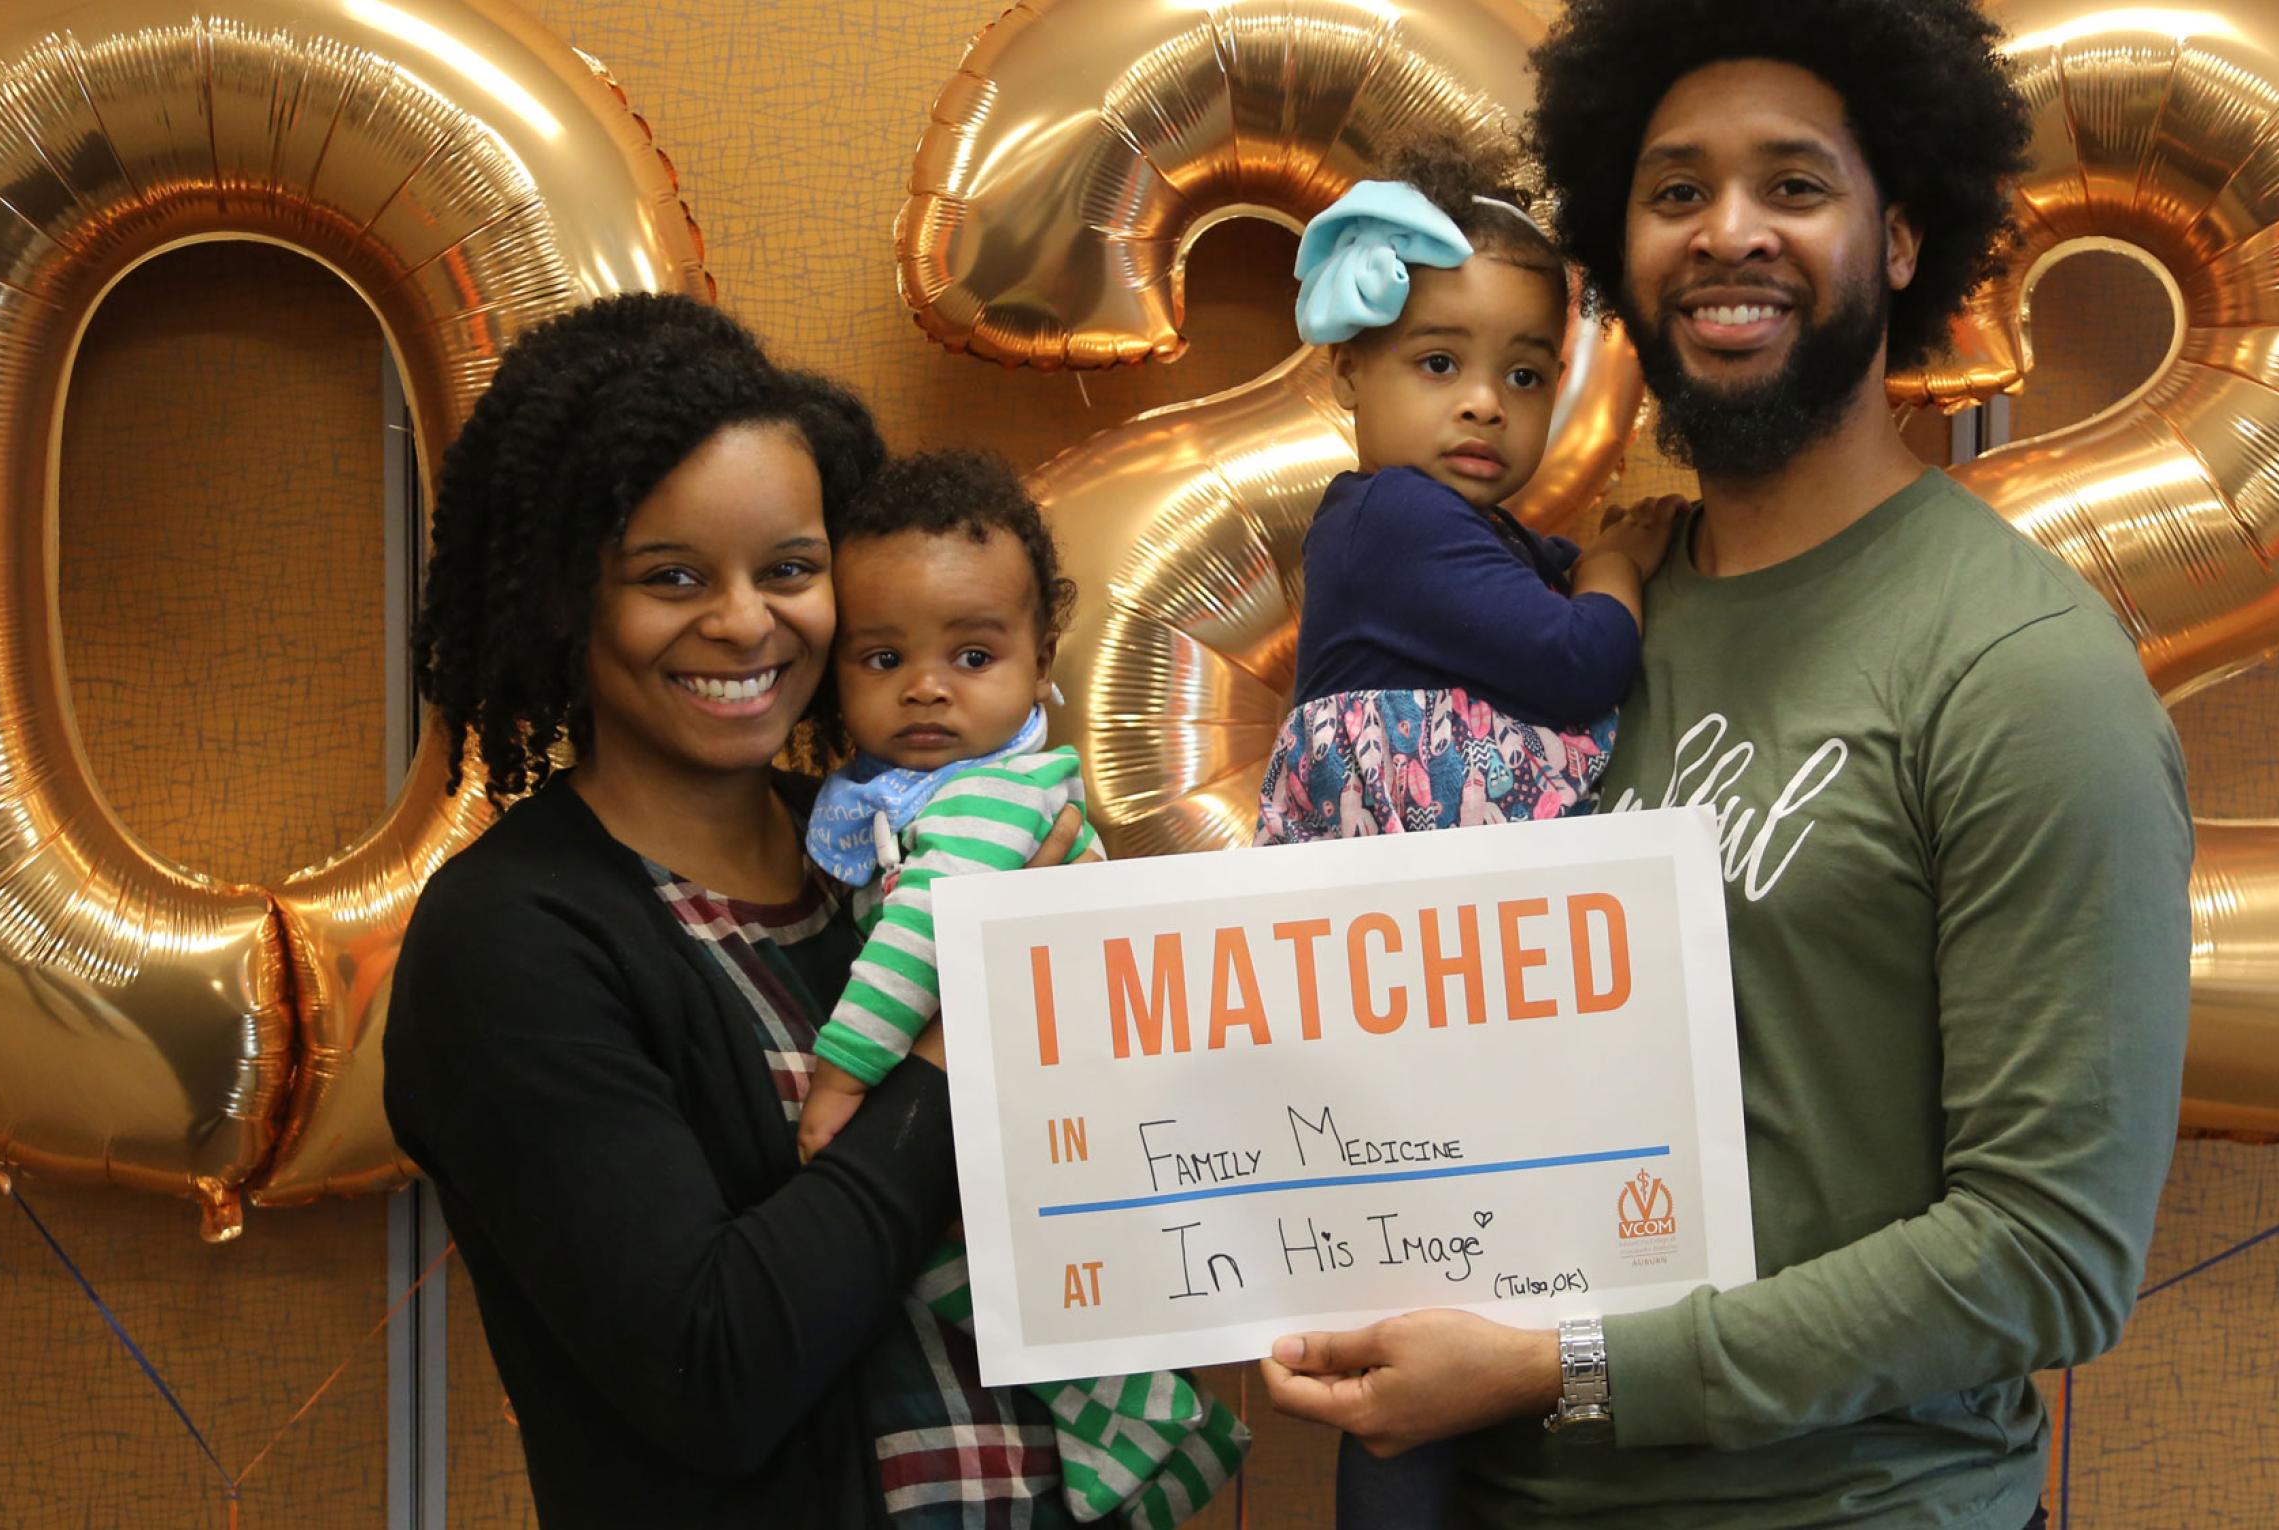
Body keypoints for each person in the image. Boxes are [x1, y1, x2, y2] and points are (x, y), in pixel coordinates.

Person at [1261, 2, 2196, 1526]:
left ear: (1902, 239)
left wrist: (1559, 1363)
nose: (1728, 233)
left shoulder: (2024, 674)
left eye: (1797, 185)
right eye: (1676, 191)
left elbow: (2047, 1256)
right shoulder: (1554, 622)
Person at [383, 294, 1088, 1528]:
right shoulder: (509, 941)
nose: (746, 622)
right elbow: (714, 1370)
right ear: (568, 600)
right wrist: (953, 1034)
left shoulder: (893, 846)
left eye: (790, 570)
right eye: (671, 577)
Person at [791, 447, 1246, 1526]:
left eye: (973, 653)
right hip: (1025, 1094)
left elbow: (921, 941)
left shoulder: (992, 800)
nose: (926, 685)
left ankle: (1139, 1411)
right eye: (882, 655)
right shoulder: (917, 792)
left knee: (942, 1262)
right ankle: (1133, 1421)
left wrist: (842, 1080)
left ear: (1043, 655)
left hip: (1040, 1096)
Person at [1253, 138, 1680, 849]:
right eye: (1440, 362)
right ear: (1349, 369)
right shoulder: (1393, 519)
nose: (1485, 405)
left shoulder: (1471, 532)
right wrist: (1617, 565)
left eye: (1524, 376)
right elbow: (1580, 663)